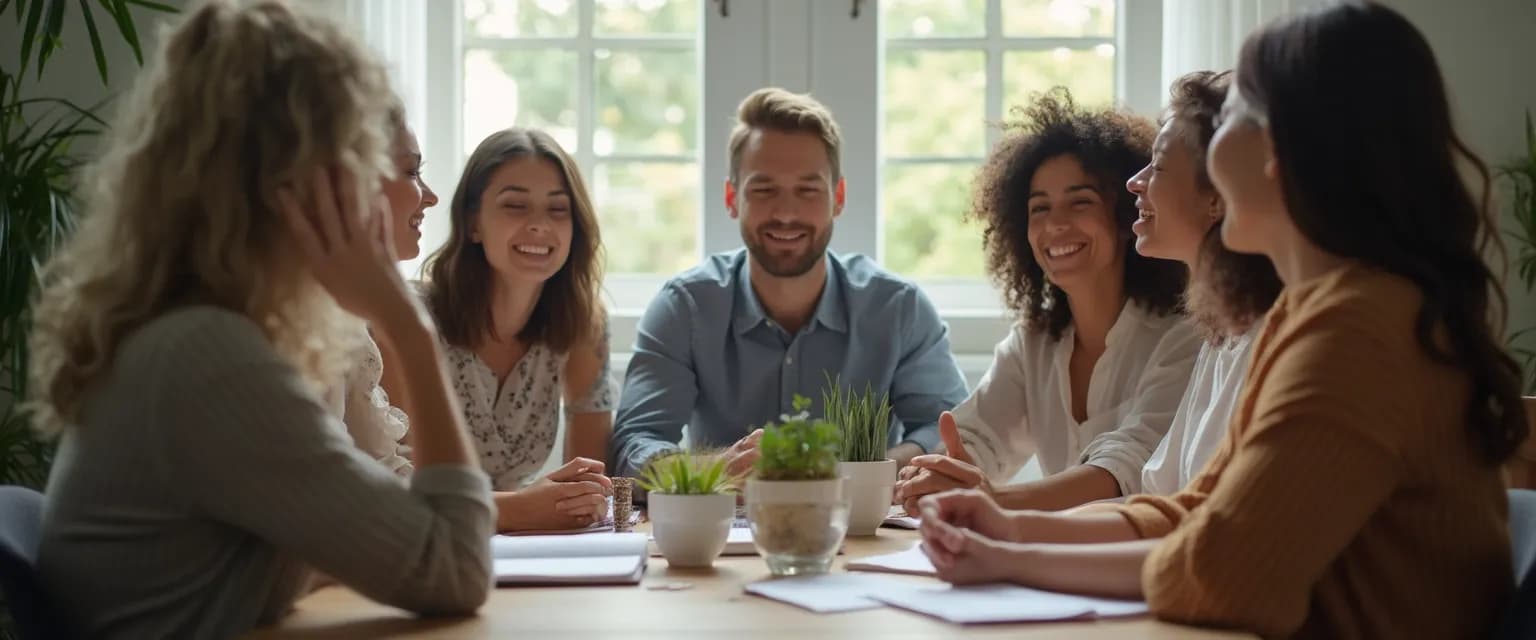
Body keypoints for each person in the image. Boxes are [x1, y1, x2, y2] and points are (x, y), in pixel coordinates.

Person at [915, 3, 1524, 638]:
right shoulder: (1312, 309)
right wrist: (1009, 529)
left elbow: (1226, 575)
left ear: (1283, 151)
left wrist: (1014, 558)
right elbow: (1198, 512)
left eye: (1232, 117)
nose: (1205, 153)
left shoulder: (1361, 330)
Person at [31, 2, 493, 637]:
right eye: (365, 157)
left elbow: (364, 539)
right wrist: (409, 328)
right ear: (303, 182)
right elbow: (457, 569)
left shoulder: (201, 331)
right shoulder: (208, 356)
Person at [611, 87, 969, 478]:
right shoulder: (685, 308)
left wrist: (864, 473)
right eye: (763, 190)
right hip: (724, 533)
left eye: (808, 190)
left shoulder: (899, 308)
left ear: (838, 197)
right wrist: (721, 468)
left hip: (861, 528)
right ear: (732, 198)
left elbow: (946, 430)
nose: (785, 213)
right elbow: (634, 445)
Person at [893, 89, 1199, 514]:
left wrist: (989, 499)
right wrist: (934, 473)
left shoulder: (1184, 333)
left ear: (1127, 216)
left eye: (1080, 202)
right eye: (1039, 208)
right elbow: (976, 439)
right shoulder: (1033, 342)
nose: (1055, 224)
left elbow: (1129, 467)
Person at [422, 127, 615, 532]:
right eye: (515, 206)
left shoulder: (584, 325)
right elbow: (393, 490)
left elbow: (590, 485)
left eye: (558, 210)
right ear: (473, 222)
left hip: (522, 552)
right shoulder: (413, 320)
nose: (539, 225)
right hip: (421, 549)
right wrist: (526, 507)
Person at [1124, 70, 1283, 495]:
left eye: (1157, 166)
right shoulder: (1222, 334)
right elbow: (1163, 498)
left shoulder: (1269, 335)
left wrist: (1012, 532)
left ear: (1217, 197)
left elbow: (1203, 523)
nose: (1134, 182)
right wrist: (1006, 523)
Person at [339, 115, 439, 477]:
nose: (431, 197)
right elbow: (344, 500)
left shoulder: (337, 313)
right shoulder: (282, 327)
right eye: (412, 173)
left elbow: (384, 469)